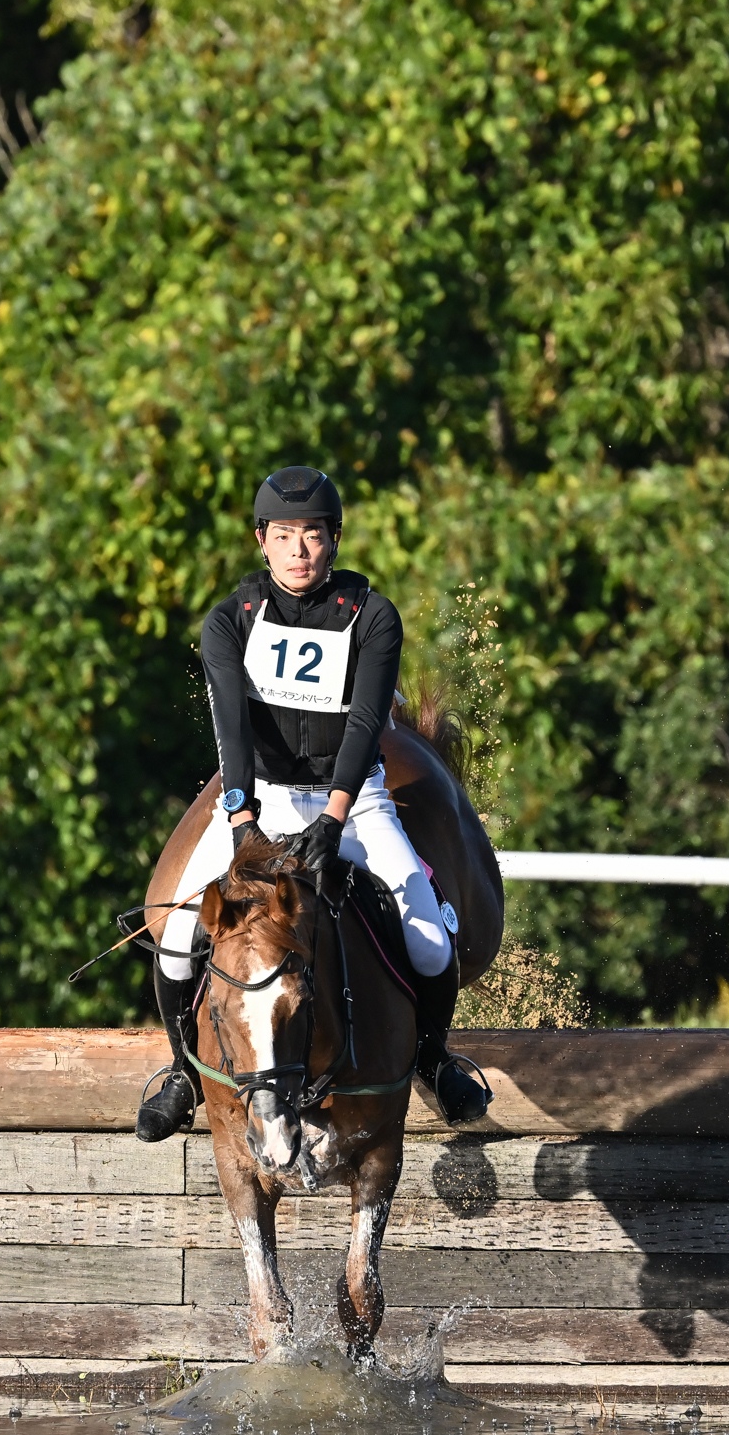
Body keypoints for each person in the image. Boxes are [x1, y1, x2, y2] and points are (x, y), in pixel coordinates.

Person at [135, 466, 493, 1141]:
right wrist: (242, 822)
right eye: (284, 536)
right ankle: (182, 1073)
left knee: (425, 931)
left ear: (334, 539)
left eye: (313, 535)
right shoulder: (229, 622)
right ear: (261, 541)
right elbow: (231, 729)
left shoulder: (372, 617)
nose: (299, 551)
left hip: (355, 803)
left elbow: (366, 725)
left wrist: (334, 818)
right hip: (261, 799)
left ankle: (434, 1060)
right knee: (177, 940)